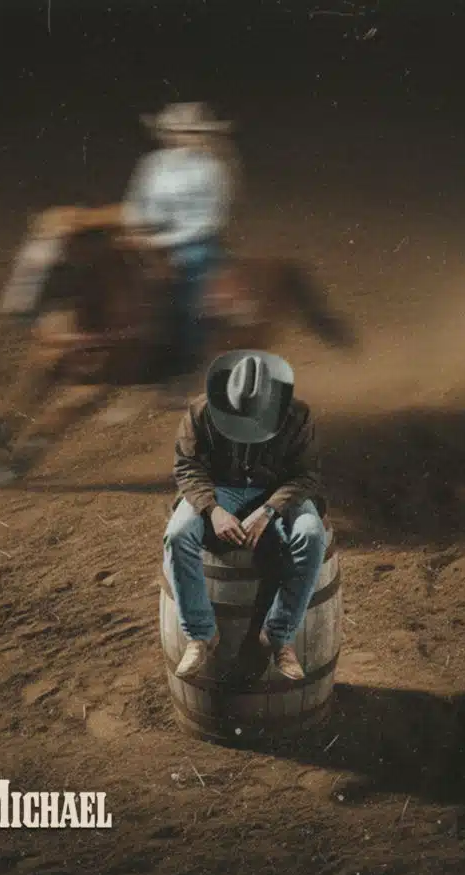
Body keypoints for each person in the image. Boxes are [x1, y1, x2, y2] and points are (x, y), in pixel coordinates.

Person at [164, 350, 327, 682]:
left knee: (311, 535)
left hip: (279, 491)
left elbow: (307, 475)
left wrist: (269, 510)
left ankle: (279, 635)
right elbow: (187, 466)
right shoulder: (199, 412)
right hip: (218, 490)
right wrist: (212, 509)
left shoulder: (299, 415)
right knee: (178, 535)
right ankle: (200, 634)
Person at [122, 101, 235, 387]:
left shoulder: (213, 169)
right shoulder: (151, 164)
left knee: (188, 295)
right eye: (173, 130)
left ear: (202, 135)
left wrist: (160, 241)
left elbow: (209, 219)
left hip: (194, 241)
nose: (179, 136)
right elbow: (134, 201)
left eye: (188, 131)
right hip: (147, 236)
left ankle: (188, 365)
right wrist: (134, 225)